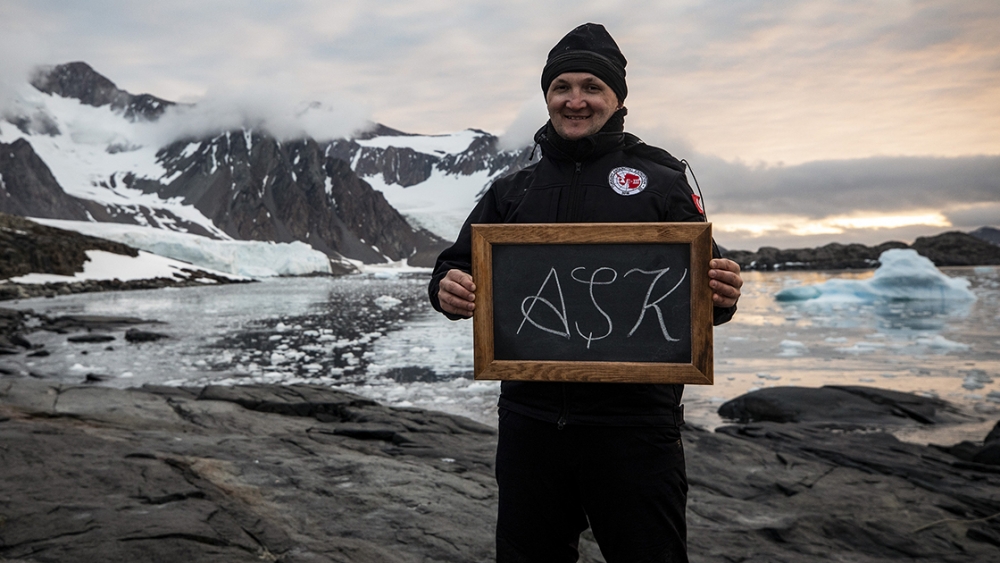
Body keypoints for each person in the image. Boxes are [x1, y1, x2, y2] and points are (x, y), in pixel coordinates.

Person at [428, 23, 743, 563]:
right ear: (547, 96)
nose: (575, 100)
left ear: (617, 98)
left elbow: (700, 289)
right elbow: (457, 267)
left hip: (636, 428)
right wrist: (446, 291)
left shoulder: (662, 180)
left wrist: (722, 296)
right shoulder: (513, 189)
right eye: (562, 87)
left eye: (591, 87)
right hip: (531, 424)